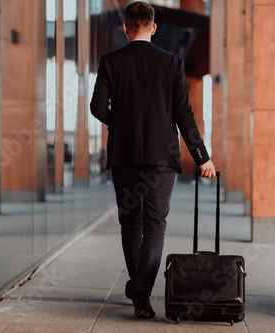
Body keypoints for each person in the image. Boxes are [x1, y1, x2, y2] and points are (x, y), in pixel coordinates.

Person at [90, 1, 216, 319]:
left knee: (130, 223)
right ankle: (142, 292)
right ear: (153, 27)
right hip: (162, 156)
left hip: (124, 154)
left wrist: (118, 124)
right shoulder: (172, 63)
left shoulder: (110, 61)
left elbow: (97, 107)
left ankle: (139, 290)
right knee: (155, 224)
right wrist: (202, 157)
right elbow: (183, 114)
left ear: (126, 27)